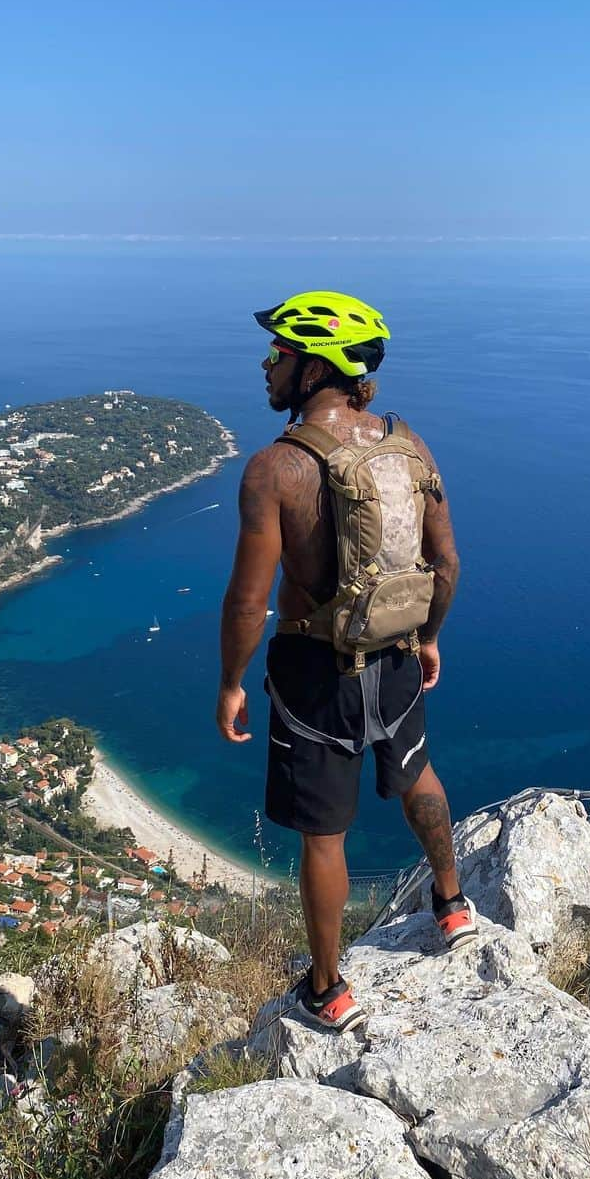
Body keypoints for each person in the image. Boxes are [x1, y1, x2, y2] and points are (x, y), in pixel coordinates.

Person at [217, 291, 475, 1033]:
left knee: (325, 836)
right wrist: (428, 637)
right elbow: (447, 562)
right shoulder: (409, 445)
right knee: (417, 773)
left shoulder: (276, 469)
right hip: (395, 658)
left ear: (314, 368)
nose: (267, 363)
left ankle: (328, 989)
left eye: (281, 353)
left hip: (314, 674)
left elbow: (247, 600)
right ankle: (452, 907)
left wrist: (232, 682)